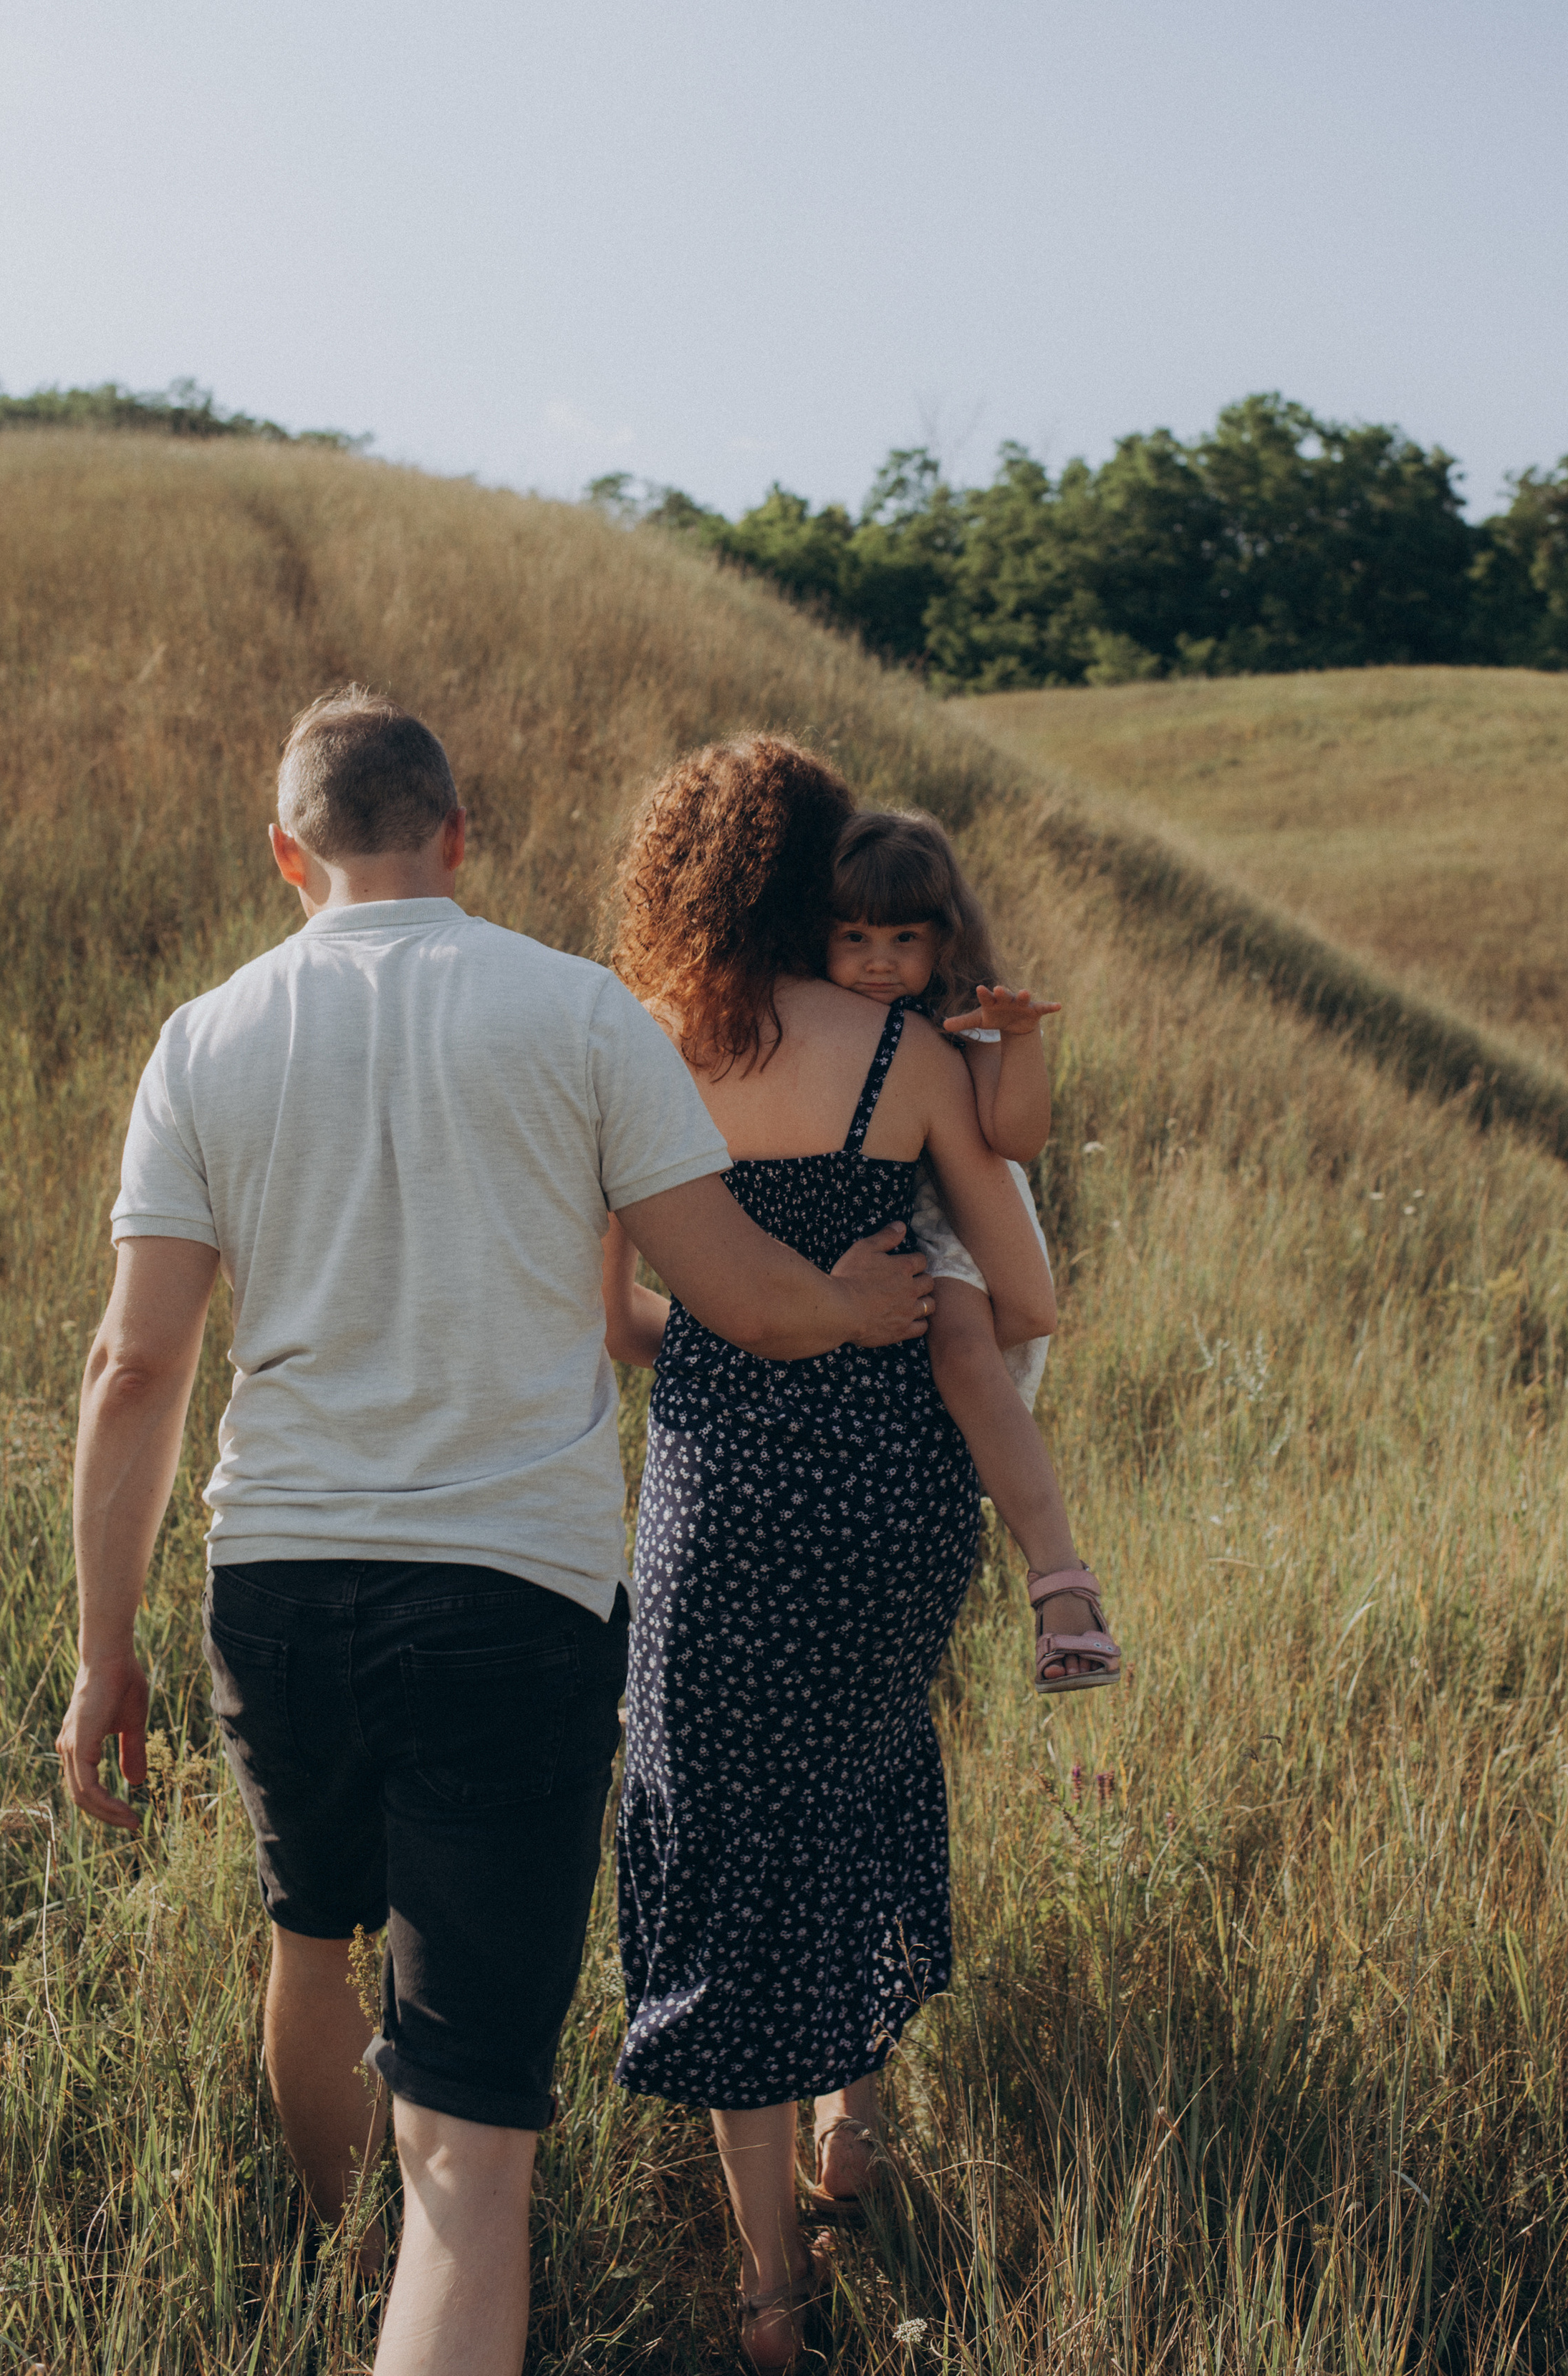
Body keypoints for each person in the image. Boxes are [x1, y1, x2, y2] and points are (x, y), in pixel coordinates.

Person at [55, 688, 935, 2376]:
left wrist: (109, 1650)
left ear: (283, 852)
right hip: (512, 1598)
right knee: (471, 2152)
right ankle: (420, 2278)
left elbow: (136, 1361)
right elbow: (738, 1299)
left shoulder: (204, 1035)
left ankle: (345, 2275)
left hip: (278, 1584)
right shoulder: (578, 1012)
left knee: (310, 1943)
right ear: (459, 835)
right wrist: (853, 1299)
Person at [600, 734, 1057, 2372]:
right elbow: (1023, 1302)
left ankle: (767, 2293)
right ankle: (854, 2134)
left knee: (719, 1835)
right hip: (896, 1497)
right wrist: (871, 1314)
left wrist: (737, 1334)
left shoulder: (635, 1045)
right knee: (864, 1773)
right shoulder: (909, 1051)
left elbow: (612, 1323)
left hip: (719, 1500)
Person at [824, 808, 1120, 1693]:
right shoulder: (812, 1014)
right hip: (864, 1232)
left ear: (944, 936)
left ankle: (1061, 1585)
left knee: (957, 1343)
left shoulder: (966, 1013)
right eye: (853, 936)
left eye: (903, 936)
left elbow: (1015, 1135)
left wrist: (1017, 1041)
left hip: (954, 1218)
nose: (878, 959)